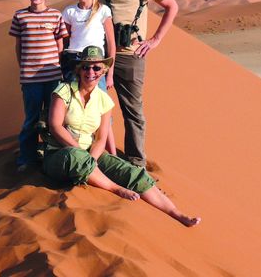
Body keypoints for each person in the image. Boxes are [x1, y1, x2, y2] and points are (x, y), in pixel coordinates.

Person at [43, 45, 200, 227]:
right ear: (79, 69)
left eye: (96, 67)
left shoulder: (104, 100)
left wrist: (92, 158)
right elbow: (55, 126)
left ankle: (177, 214)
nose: (91, 72)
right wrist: (82, 154)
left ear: (104, 71)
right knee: (75, 157)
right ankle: (116, 188)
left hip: (90, 153)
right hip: (59, 154)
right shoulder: (63, 91)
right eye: (86, 66)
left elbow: (101, 138)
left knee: (132, 172)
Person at [95, 0, 179, 168]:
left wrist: (155, 40)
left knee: (133, 112)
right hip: (100, 56)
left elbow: (171, 6)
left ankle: (135, 164)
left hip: (132, 55)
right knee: (95, 107)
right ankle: (99, 156)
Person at [9, 0, 69, 172]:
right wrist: (24, 68)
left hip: (53, 78)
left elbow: (60, 45)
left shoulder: (55, 15)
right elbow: (18, 46)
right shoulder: (20, 16)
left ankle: (53, 156)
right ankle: (27, 159)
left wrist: (58, 69)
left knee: (54, 120)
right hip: (30, 79)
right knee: (31, 120)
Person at [61, 0, 117, 155]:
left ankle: (112, 155)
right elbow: (64, 39)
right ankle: (72, 149)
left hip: (96, 66)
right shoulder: (69, 11)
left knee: (102, 112)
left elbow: (111, 43)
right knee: (71, 108)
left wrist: (109, 73)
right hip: (74, 64)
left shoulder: (103, 10)